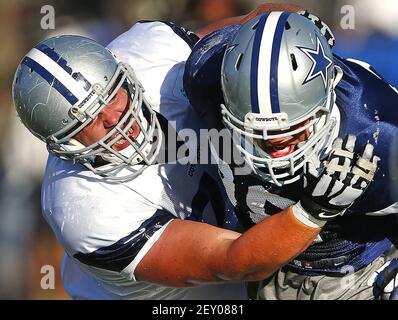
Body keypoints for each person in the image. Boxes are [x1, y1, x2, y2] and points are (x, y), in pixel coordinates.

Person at [12, 15, 376, 300]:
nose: (114, 119)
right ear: (62, 145)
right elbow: (231, 261)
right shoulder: (85, 210)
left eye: (111, 96)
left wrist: (295, 24)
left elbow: (248, 37)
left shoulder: (153, 51)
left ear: (124, 73)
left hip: (259, 254)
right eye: (88, 122)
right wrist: (315, 210)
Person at [183, 8, 398, 300]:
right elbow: (249, 31)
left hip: (355, 273)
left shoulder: (376, 134)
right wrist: (289, 15)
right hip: (254, 263)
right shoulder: (206, 76)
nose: (275, 145)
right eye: (256, 132)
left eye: (294, 129)